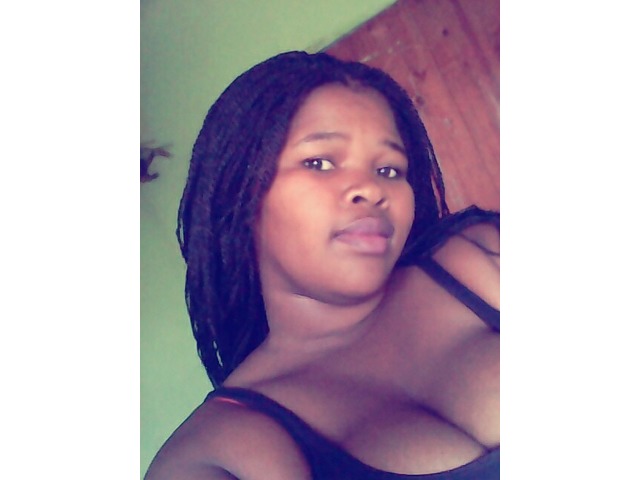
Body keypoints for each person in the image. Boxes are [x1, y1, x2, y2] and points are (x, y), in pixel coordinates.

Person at [145, 51, 499, 479]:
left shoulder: (478, 259)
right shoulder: (217, 452)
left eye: (389, 169)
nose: (371, 188)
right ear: (243, 195)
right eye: (319, 163)